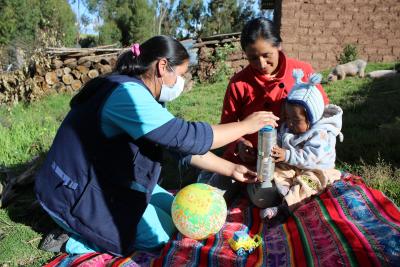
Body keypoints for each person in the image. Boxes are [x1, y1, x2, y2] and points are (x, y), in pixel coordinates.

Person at [35, 35, 279, 256]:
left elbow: (177, 146)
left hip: (108, 181)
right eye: (180, 74)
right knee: (160, 237)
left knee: (178, 216)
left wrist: (231, 169)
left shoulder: (138, 91)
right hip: (73, 195)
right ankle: (74, 239)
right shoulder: (126, 96)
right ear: (163, 66)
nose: (181, 82)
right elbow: (186, 137)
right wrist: (246, 125)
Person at [198, 17, 329, 201]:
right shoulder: (239, 83)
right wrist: (240, 144)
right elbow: (226, 125)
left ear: (279, 46)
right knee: (208, 200)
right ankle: (210, 177)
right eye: (253, 58)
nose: (261, 64)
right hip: (244, 163)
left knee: (273, 198)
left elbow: (322, 114)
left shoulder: (301, 72)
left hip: (290, 162)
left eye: (267, 55)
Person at [259, 69, 343, 224]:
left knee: (308, 183)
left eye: (295, 120)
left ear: (311, 119)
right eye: (287, 117)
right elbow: (281, 139)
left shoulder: (321, 135)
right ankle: (283, 191)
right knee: (277, 169)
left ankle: (285, 209)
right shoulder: (289, 127)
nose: (289, 123)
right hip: (295, 165)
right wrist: (274, 148)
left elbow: (310, 157)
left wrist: (287, 155)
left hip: (316, 168)